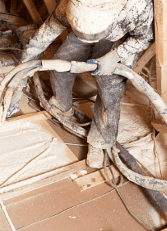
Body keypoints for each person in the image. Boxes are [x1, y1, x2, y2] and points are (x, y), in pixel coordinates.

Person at [12, 0, 154, 168]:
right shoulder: (69, 6)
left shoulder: (136, 7)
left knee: (109, 84)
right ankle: (62, 105)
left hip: (123, 38)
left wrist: (116, 54)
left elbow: (144, 38)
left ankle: (100, 141)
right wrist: (20, 76)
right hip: (87, 25)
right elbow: (40, 39)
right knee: (61, 61)